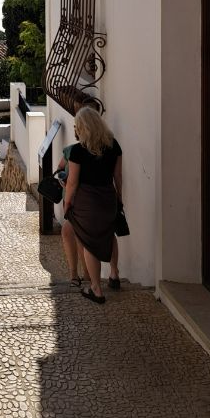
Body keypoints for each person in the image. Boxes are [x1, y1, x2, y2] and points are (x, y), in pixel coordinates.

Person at [61, 106, 123, 304]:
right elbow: (118, 176)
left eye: (76, 126)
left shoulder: (78, 151)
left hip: (87, 201)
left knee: (89, 241)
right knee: (109, 233)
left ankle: (96, 289)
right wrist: (119, 198)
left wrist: (67, 202)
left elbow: (72, 182)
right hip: (108, 197)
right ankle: (114, 274)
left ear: (82, 127)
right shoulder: (114, 146)